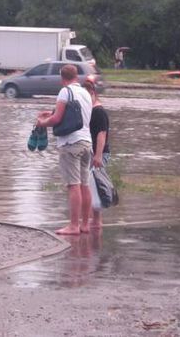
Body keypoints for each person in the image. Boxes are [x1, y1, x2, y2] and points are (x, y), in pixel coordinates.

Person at [36, 64, 93, 235]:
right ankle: (85, 224)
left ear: (62, 78)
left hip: (70, 143)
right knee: (85, 185)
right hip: (86, 142)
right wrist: (52, 113)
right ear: (76, 76)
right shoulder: (86, 93)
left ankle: (73, 226)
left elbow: (57, 119)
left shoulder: (64, 91)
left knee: (73, 185)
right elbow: (75, 113)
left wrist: (42, 122)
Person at [83, 80, 110, 230]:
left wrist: (98, 156)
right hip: (94, 153)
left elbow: (102, 134)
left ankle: (96, 221)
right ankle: (94, 221)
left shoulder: (98, 111)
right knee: (92, 186)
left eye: (87, 96)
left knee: (95, 187)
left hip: (99, 154)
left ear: (93, 93)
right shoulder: (91, 110)